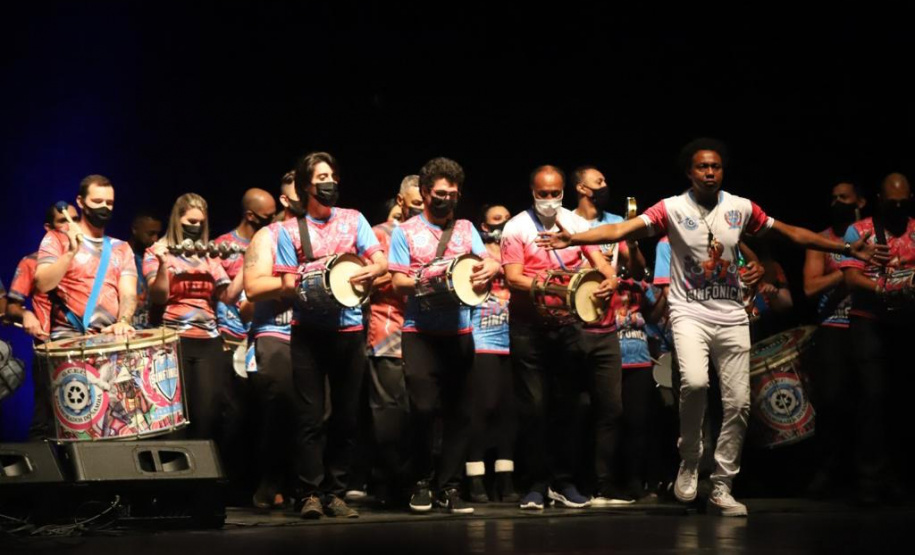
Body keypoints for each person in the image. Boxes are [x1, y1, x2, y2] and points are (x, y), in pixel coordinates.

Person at [538, 138, 883, 516]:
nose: (709, 172)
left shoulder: (740, 207)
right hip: (689, 313)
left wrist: (847, 250)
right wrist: (575, 236)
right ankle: (689, 459)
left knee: (738, 402)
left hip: (732, 315)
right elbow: (622, 231)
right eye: (702, 167)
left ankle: (722, 485)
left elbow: (789, 233)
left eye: (716, 167)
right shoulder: (671, 208)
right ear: (690, 172)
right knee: (696, 383)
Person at [273, 152, 387, 519]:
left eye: (334, 176)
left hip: (350, 330)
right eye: (322, 176)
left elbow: (381, 259)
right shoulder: (290, 230)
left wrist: (370, 272)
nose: (330, 183)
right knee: (309, 418)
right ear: (307, 185)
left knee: (346, 416)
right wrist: (313, 281)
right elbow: (287, 283)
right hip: (308, 332)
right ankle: (308, 493)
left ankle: (334, 492)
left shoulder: (354, 220)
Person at [500, 165, 617, 511]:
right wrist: (549, 287)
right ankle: (535, 483)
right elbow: (513, 277)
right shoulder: (516, 227)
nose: (549, 200)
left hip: (568, 328)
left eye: (555, 194)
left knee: (569, 407)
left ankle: (564, 482)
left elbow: (601, 262)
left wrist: (608, 278)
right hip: (528, 328)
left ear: (564, 192)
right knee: (535, 408)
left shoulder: (577, 225)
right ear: (533, 192)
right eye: (543, 194)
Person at [388, 157, 501, 514]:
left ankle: (448, 486)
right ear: (424, 193)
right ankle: (419, 480)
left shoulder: (467, 229)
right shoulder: (405, 232)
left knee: (459, 413)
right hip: (420, 333)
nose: (447, 199)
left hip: (460, 333)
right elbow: (398, 282)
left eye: (453, 193)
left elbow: (487, 264)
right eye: (440, 193)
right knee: (422, 409)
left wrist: (492, 266)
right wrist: (434, 279)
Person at [839, 172, 915, 505]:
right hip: (869, 322)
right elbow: (852, 280)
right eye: (892, 203)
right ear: (881, 200)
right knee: (873, 396)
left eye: (904, 203)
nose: (898, 209)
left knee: (902, 400)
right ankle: (869, 478)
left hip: (906, 323)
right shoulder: (860, 231)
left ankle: (898, 476)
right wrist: (889, 287)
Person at [144, 193, 243, 445]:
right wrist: (164, 264)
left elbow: (229, 296)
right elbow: (159, 296)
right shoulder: (156, 251)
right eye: (191, 221)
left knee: (207, 412)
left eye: (200, 222)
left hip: (207, 339)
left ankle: (204, 473)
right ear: (177, 220)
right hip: (171, 339)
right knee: (174, 413)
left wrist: (247, 266)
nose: (196, 227)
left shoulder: (208, 258)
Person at [357, 175, 420, 506]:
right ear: (401, 201)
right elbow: (361, 279)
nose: (423, 208)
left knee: (419, 412)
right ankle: (385, 484)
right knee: (388, 413)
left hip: (424, 333)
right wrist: (398, 274)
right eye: (418, 202)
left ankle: (415, 483)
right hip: (386, 333)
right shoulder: (380, 234)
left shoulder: (433, 236)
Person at [243, 173, 301, 510]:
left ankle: (302, 486)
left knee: (313, 415)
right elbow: (250, 291)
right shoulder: (270, 234)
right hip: (274, 331)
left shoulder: (326, 232)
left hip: (312, 330)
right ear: (285, 198)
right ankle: (269, 483)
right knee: (277, 409)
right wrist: (294, 282)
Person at [803, 181, 865, 498]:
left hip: (866, 325)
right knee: (830, 402)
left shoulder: (873, 236)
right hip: (832, 326)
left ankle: (865, 474)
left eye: (844, 197)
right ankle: (827, 471)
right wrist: (850, 268)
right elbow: (811, 288)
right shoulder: (822, 240)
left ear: (861, 202)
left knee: (867, 402)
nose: (837, 202)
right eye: (834, 197)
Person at [5, 203, 77, 439]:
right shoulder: (31, 262)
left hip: (90, 346)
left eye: (74, 219)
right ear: (49, 228)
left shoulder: (93, 259)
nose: (70, 226)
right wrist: (26, 313)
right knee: (46, 419)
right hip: (49, 348)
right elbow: (11, 306)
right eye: (62, 221)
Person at [34, 175, 137, 340]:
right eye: (97, 201)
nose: (104, 207)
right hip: (69, 341)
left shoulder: (122, 248)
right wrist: (70, 253)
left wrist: (124, 321)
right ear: (81, 202)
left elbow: (128, 294)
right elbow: (42, 284)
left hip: (109, 339)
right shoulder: (57, 238)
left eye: (109, 203)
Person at [466, 203, 517, 504]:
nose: (504, 225)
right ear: (484, 226)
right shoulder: (474, 256)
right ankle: (474, 478)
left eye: (508, 220)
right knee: (482, 409)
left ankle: (506, 478)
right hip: (481, 339)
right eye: (497, 220)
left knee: (509, 412)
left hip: (512, 341)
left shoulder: (517, 253)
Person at [127, 212, 163, 330]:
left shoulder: (159, 259)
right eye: (150, 233)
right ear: (135, 229)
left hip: (153, 328)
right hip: (127, 328)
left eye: (157, 234)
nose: (155, 239)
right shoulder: (120, 256)